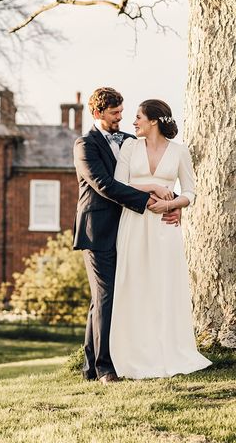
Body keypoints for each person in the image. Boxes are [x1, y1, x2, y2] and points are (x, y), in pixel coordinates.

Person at [72, 87, 179, 384]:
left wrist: (174, 203)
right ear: (97, 114)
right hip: (98, 231)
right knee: (106, 296)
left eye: (122, 111)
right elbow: (104, 184)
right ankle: (105, 368)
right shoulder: (85, 145)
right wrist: (148, 200)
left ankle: (91, 367)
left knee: (107, 298)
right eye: (114, 113)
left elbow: (150, 179)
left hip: (130, 230)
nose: (121, 117)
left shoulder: (132, 142)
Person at [109, 99, 211, 378]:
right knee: (136, 284)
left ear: (154, 120)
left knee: (164, 285)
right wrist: (152, 187)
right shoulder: (130, 147)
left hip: (165, 227)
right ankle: (134, 351)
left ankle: (169, 349)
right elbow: (119, 185)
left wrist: (171, 206)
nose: (134, 122)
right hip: (134, 224)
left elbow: (190, 192)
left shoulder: (179, 151)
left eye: (139, 117)